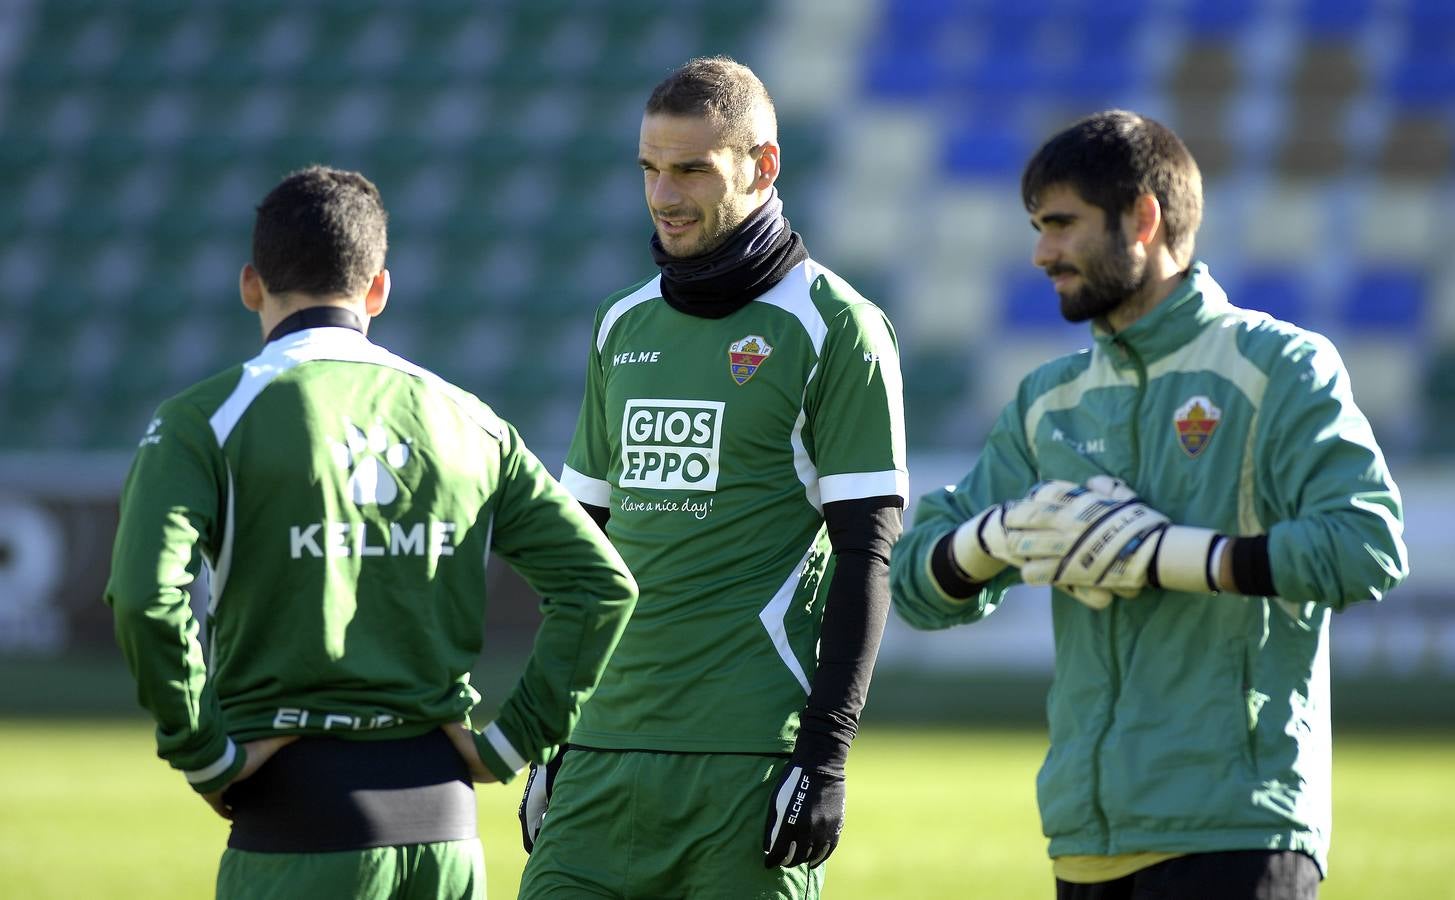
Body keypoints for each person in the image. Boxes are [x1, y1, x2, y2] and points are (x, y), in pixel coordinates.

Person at [889, 110, 1408, 900]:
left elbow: (1365, 546)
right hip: (1082, 838)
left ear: (1143, 217)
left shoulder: (1279, 366)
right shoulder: (1047, 398)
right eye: (1036, 227)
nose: (1041, 253)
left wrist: (1176, 557)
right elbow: (914, 586)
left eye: (1061, 225)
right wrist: (993, 536)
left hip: (1237, 826)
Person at [104, 165, 638, 899]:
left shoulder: (203, 421)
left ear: (251, 285)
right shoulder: (469, 421)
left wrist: (203, 754)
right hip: (447, 835)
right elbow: (600, 586)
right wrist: (512, 741)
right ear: (378, 289)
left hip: (292, 828)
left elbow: (142, 595)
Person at [515, 56, 908, 899]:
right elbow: (582, 560)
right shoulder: (621, 322)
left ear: (762, 167)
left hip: (747, 763)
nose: (663, 195)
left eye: (692, 168)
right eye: (650, 169)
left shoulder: (836, 328)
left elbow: (865, 558)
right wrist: (553, 739)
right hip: (598, 755)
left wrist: (824, 757)